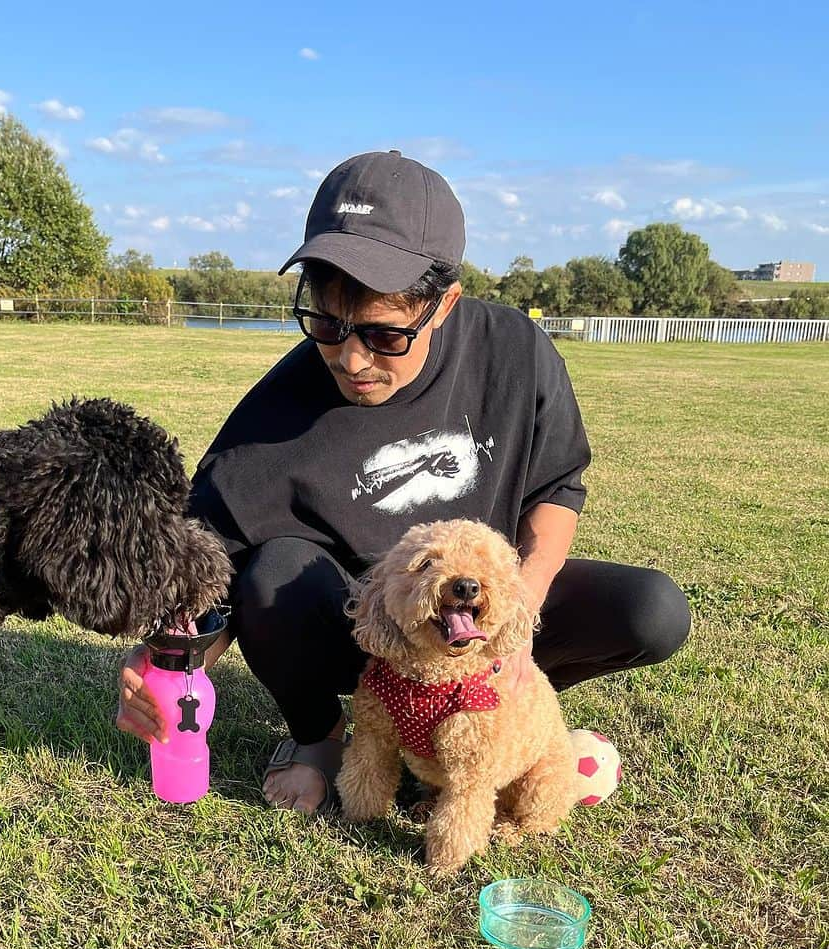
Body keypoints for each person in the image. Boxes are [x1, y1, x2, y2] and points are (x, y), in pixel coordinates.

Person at [117, 150, 690, 814]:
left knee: (651, 610)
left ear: (443, 303)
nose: (350, 358)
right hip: (363, 624)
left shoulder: (516, 352)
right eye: (327, 326)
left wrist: (517, 621)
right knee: (273, 574)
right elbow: (208, 570)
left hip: (481, 607)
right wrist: (166, 665)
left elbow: (556, 488)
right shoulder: (276, 413)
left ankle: (487, 714)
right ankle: (319, 741)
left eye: (384, 335)